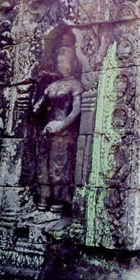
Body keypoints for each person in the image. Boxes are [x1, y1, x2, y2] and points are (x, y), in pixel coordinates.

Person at [32, 45, 83, 223]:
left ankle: (57, 207)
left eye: (64, 61)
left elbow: (76, 111)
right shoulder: (52, 85)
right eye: (58, 61)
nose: (60, 64)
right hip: (47, 131)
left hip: (64, 133)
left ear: (72, 63)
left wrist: (61, 126)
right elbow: (36, 109)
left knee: (58, 170)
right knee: (42, 170)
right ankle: (42, 204)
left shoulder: (75, 84)